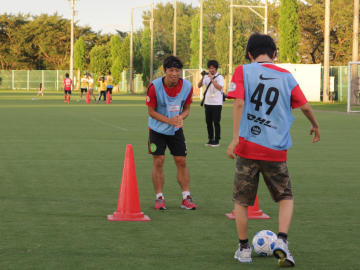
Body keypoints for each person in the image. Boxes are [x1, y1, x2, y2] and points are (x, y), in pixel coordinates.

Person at [226, 33, 320, 267]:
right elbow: (305, 105)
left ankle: (244, 248)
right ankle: (282, 240)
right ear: (274, 54)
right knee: (285, 196)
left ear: (249, 54)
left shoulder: (243, 71)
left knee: (242, 200)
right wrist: (315, 125)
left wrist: (235, 138)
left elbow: (238, 102)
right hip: (276, 150)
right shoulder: (286, 76)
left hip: (247, 147)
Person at [146, 55, 197, 210]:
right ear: (164, 71)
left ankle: (186, 198)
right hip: (157, 129)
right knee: (159, 161)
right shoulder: (154, 86)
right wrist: (169, 121)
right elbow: (151, 112)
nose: (174, 73)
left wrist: (180, 118)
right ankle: (159, 198)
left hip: (176, 130)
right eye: (171, 70)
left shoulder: (187, 86)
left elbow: (187, 109)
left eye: (177, 70)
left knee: (181, 161)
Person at [197, 60, 225, 147]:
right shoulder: (206, 77)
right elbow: (199, 85)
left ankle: (216, 140)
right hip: (208, 103)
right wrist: (202, 77)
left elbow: (219, 87)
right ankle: (210, 139)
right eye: (209, 68)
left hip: (217, 104)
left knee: (216, 122)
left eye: (212, 68)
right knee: (208, 122)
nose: (211, 70)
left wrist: (212, 79)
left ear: (216, 68)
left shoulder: (220, 77)